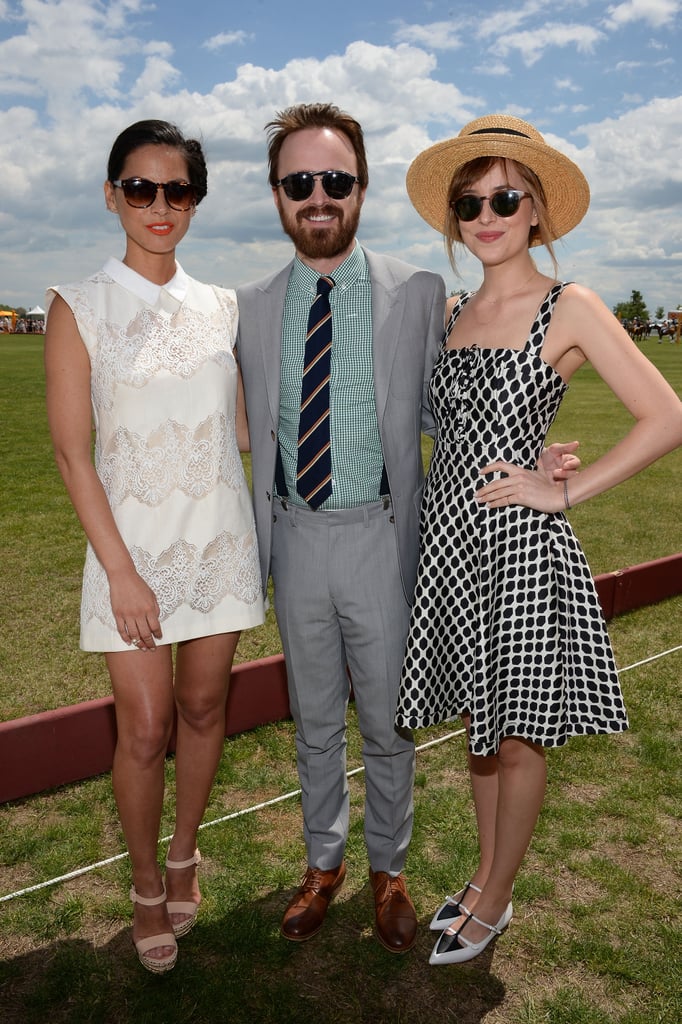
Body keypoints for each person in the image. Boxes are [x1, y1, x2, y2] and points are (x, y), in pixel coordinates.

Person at [236, 102, 577, 953]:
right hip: (295, 537)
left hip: (387, 542)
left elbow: (456, 404)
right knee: (314, 720)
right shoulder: (245, 306)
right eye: (299, 182)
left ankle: (389, 869)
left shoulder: (420, 293)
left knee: (390, 723)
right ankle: (324, 866)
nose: (319, 196)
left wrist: (539, 459)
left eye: (336, 180)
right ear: (279, 194)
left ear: (360, 188)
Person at [394, 114, 682, 966]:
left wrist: (563, 489)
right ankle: (485, 879)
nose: (484, 214)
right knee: (479, 731)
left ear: (535, 212)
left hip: (520, 546)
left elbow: (666, 416)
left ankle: (497, 899)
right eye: (468, 201)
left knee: (516, 734)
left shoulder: (573, 305)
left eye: (503, 197)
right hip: (448, 543)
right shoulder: (448, 309)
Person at [44, 120, 264, 974]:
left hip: (219, 546)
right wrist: (123, 572)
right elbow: (70, 451)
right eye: (141, 188)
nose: (159, 206)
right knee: (145, 725)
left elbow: (248, 432)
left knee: (206, 710)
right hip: (127, 556)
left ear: (196, 203)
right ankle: (144, 886)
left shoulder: (223, 307)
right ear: (112, 195)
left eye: (177, 191)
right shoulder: (77, 304)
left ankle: (184, 854)